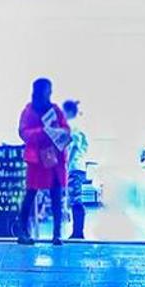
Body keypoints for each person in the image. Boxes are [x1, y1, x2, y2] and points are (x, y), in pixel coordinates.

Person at [17, 77, 71, 244]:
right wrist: (42, 132)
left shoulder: (55, 110)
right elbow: (23, 132)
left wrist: (59, 132)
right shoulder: (29, 111)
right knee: (31, 193)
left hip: (54, 158)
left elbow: (66, 129)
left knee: (56, 195)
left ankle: (57, 234)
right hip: (36, 159)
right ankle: (22, 232)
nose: (49, 93)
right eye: (47, 90)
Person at [60, 98, 89, 239]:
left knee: (76, 199)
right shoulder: (79, 125)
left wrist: (67, 163)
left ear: (69, 111)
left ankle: (78, 232)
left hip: (74, 167)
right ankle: (77, 231)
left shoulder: (73, 126)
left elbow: (75, 147)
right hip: (80, 166)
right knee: (75, 198)